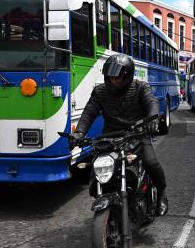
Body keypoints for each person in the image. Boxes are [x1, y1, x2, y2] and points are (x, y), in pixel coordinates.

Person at [70, 53, 168, 216]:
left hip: (137, 134)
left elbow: (152, 102)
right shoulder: (100, 91)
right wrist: (79, 133)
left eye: (117, 78)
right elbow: (89, 112)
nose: (113, 81)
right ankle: (104, 194)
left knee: (151, 162)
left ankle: (162, 194)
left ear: (128, 75)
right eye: (110, 77)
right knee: (97, 167)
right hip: (110, 137)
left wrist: (152, 119)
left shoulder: (141, 87)